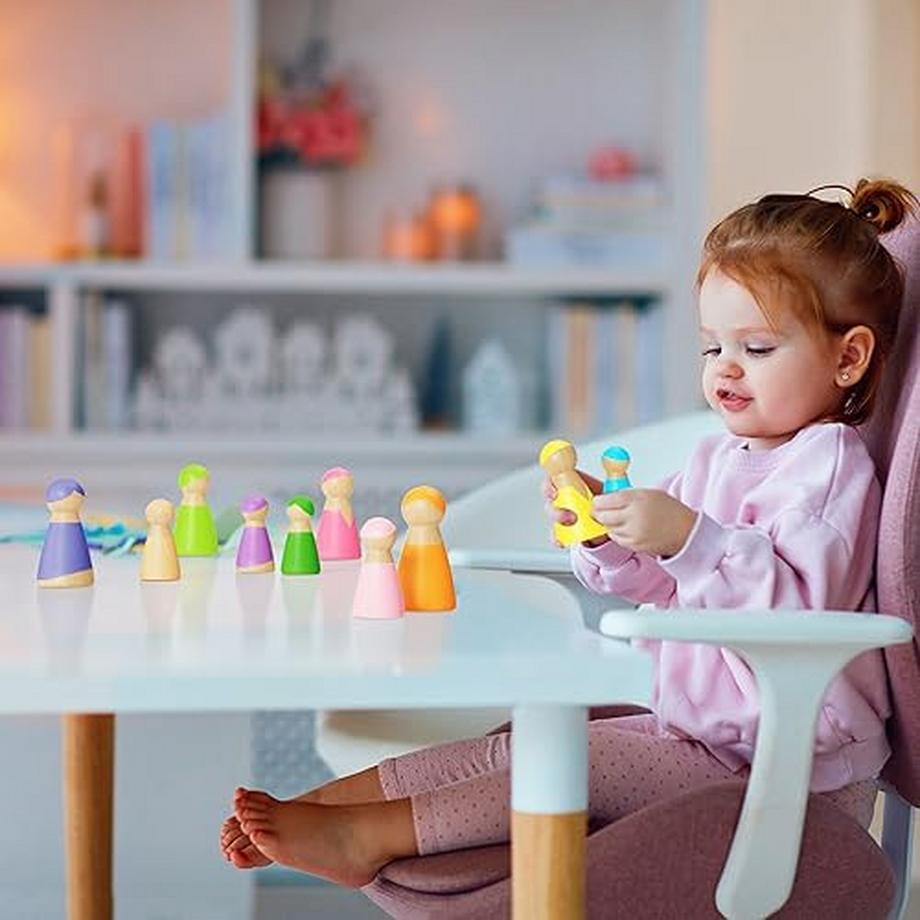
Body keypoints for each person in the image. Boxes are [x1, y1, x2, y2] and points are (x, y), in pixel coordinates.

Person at [218, 178, 917, 888]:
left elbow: (795, 609)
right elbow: (649, 580)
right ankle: (333, 801)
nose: (725, 369)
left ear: (848, 358)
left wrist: (688, 540)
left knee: (568, 764)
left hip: (791, 759)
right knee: (520, 747)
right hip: (711, 731)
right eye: (712, 348)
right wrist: (603, 535)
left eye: (758, 348)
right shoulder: (718, 455)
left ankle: (367, 832)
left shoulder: (828, 469)